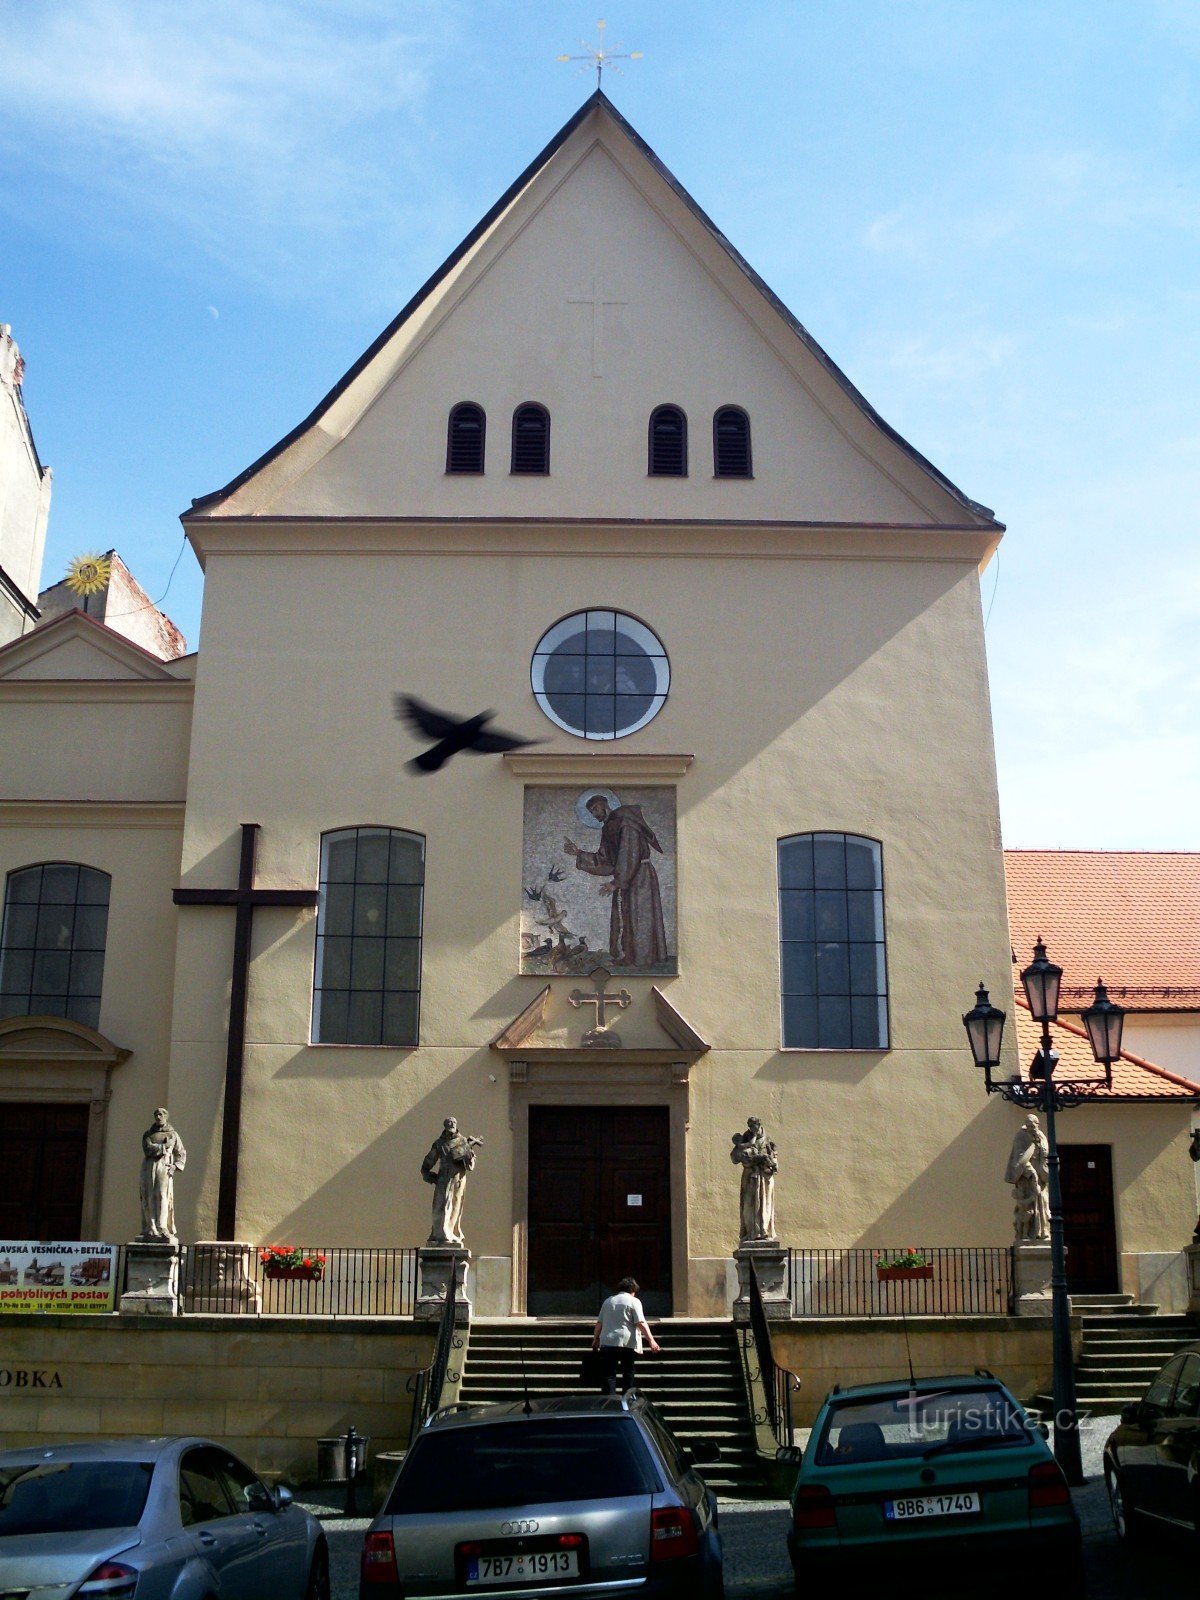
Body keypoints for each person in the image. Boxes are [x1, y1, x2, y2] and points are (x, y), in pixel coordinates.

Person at [564, 795, 668, 968]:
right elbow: (607, 860)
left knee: (638, 916)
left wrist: (617, 882)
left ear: (604, 804)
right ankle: (628, 957)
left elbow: (629, 853)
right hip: (627, 875)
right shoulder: (609, 827)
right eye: (591, 813)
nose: (594, 815)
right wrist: (579, 853)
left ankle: (641, 960)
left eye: (595, 810)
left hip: (640, 876)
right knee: (625, 915)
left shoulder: (625, 822)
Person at [592, 1276, 661, 1395]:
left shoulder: (608, 1301)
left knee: (609, 1373)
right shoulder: (634, 1301)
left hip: (608, 1341)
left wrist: (595, 1339)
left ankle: (610, 1399)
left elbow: (599, 1323)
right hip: (627, 1342)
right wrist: (651, 1340)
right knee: (628, 1371)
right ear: (633, 1290)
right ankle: (626, 1397)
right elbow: (641, 1323)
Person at [421, 1117, 482, 1246]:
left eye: (454, 1123)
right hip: (444, 1177)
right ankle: (440, 1234)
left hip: (459, 1178)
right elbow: (430, 1159)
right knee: (441, 1205)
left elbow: (470, 1163)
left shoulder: (463, 1141)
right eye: (449, 1124)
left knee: (455, 1204)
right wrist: (425, 1171)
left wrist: (469, 1155)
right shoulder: (439, 1143)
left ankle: (451, 1233)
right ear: (445, 1126)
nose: (452, 1126)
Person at [138, 1107, 187, 1243]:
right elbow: (147, 1149)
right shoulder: (148, 1134)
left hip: (164, 1165)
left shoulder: (172, 1134)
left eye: (161, 1114)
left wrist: (175, 1166)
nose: (158, 1117)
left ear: (166, 1116)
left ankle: (162, 1226)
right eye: (156, 1114)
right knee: (149, 1196)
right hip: (148, 1167)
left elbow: (181, 1152)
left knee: (161, 1195)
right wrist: (164, 1147)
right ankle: (150, 1227)